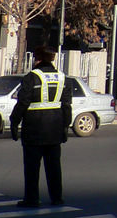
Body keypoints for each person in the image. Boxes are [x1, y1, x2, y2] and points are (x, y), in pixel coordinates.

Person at [9, 45, 73, 207]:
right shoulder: (63, 78)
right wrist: (65, 126)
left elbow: (22, 103)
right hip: (55, 129)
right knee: (54, 167)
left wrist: (14, 122)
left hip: (34, 129)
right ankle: (57, 198)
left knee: (32, 167)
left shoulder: (31, 77)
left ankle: (32, 199)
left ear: (37, 59)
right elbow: (66, 105)